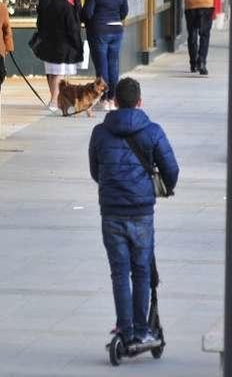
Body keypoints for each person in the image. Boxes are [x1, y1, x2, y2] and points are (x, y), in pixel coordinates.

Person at [89, 77, 179, 348]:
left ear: (115, 102)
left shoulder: (100, 132)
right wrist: (161, 188)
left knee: (119, 272)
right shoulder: (153, 131)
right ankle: (142, 330)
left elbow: (96, 171)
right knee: (141, 270)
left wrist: (112, 187)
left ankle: (124, 328)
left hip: (111, 210)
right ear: (139, 102)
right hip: (141, 211)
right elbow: (171, 170)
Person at [37, 0, 85, 112]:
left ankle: (56, 99)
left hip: (67, 35)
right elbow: (42, 11)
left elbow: (78, 12)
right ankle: (54, 99)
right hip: (53, 35)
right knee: (55, 70)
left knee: (59, 70)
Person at [84, 0, 129, 110]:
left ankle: (103, 99)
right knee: (113, 64)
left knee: (102, 65)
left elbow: (87, 13)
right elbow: (124, 12)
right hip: (116, 30)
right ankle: (111, 99)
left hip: (99, 31)